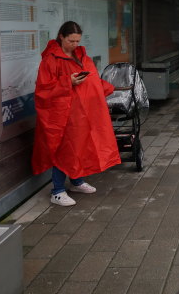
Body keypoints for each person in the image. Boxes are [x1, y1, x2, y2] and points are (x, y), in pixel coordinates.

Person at [32, 21, 121, 207]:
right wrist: (67, 81)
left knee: (80, 145)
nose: (74, 44)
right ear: (61, 37)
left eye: (77, 41)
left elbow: (93, 79)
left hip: (82, 112)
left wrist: (105, 88)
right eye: (71, 40)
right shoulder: (50, 59)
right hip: (62, 115)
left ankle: (77, 182)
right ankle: (57, 191)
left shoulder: (80, 55)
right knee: (63, 149)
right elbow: (42, 89)